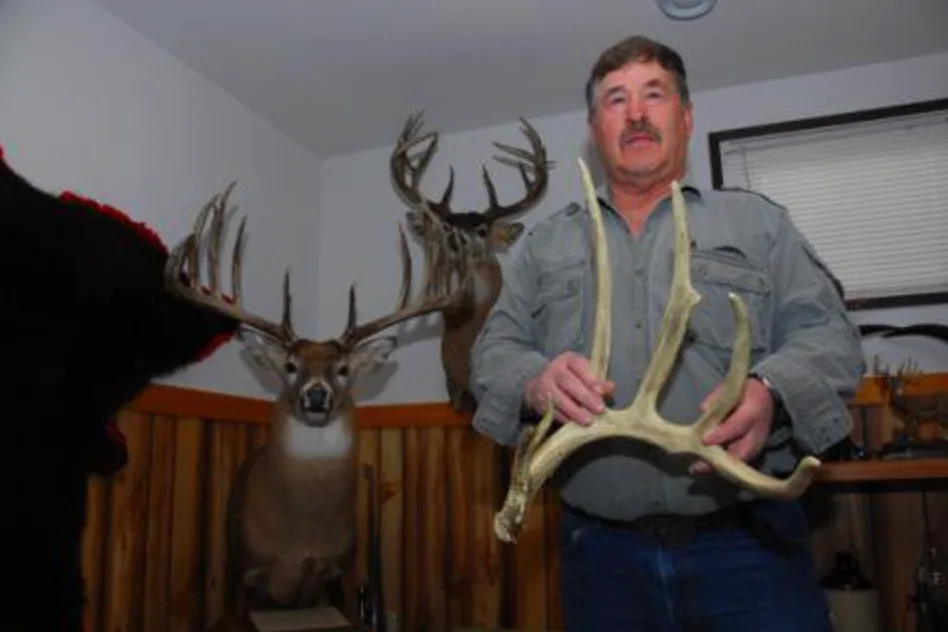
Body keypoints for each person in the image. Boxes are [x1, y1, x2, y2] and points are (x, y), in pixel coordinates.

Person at [468, 34, 865, 631]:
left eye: (653, 94)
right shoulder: (542, 247)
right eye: (615, 99)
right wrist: (534, 379)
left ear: (685, 115)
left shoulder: (759, 225)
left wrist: (770, 390)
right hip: (600, 559)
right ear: (594, 126)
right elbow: (492, 353)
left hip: (750, 550)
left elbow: (831, 339)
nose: (634, 113)